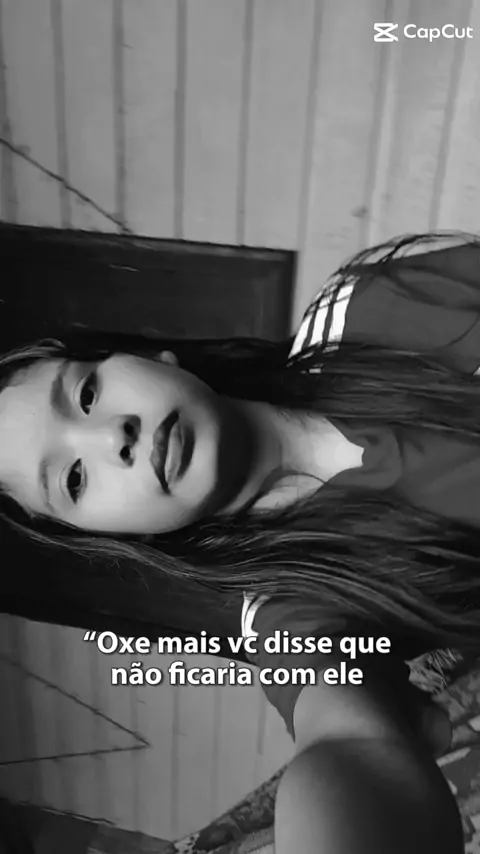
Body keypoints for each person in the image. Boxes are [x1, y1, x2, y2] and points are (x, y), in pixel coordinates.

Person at [0, 231, 477, 851]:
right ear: (113, 535)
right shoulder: (287, 613)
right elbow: (346, 741)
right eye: (73, 479)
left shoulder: (372, 309)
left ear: (151, 358)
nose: (112, 437)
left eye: (86, 394)